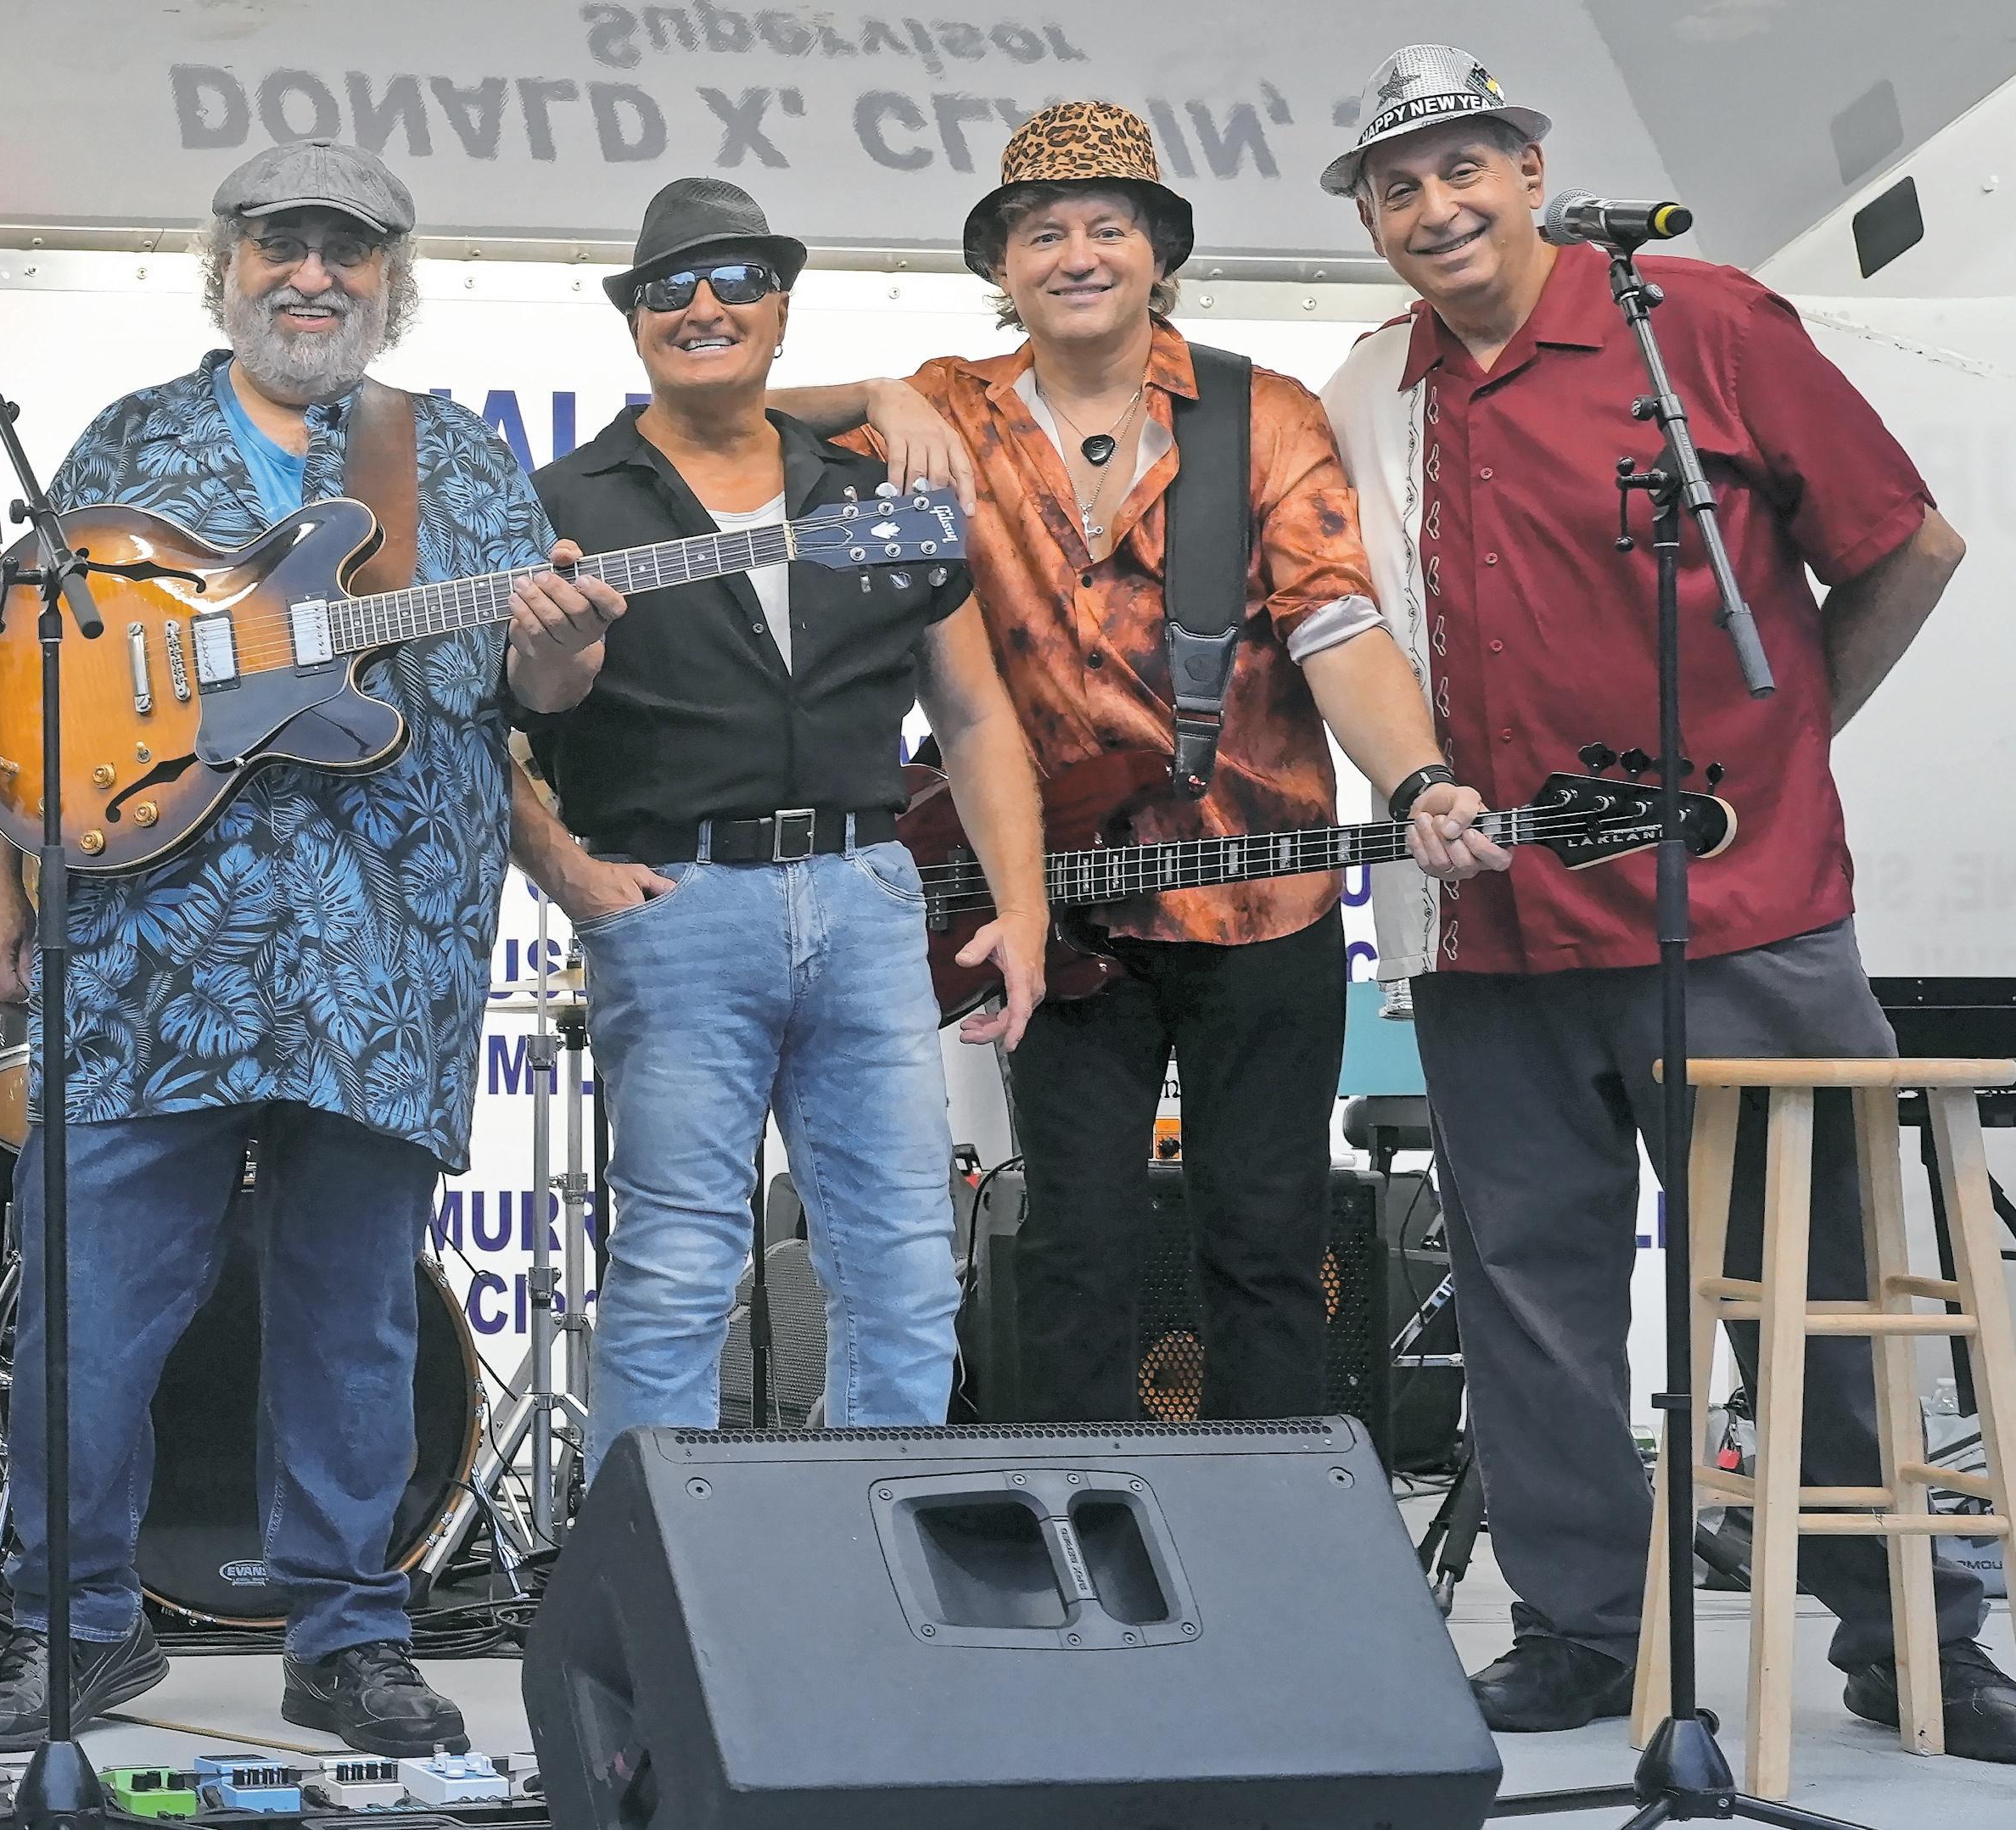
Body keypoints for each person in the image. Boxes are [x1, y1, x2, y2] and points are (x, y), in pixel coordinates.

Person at [1318, 47, 2001, 1752]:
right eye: (1395, 187)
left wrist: (1783, 746)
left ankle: (1909, 1628)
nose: (1433, 207)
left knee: (1814, 1284)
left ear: (1531, 173)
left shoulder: (1693, 319)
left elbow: (1905, 542)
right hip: (1489, 927)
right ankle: (1579, 1625)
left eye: (1462, 167)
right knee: (1528, 1295)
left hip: (1742, 909)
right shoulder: (1368, 388)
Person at [0, 139, 619, 1760]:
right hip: (149, 954)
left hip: (384, 953)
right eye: (282, 245)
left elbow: (532, 700)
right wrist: (0, 888)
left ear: (392, 280)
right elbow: (21, 673)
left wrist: (568, 651)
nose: (314, 275)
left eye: (348, 249)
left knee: (353, 1313)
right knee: (90, 1303)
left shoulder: (455, 459)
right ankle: (68, 1623)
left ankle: (349, 1636)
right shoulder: (129, 442)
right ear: (226, 265)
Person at [800, 102, 1498, 1430]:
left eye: (1108, 227)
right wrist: (870, 396)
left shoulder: (1263, 412)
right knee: (1073, 1252)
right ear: (1001, 265)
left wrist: (1418, 780)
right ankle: (1084, 1528)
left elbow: (1339, 627)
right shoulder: (943, 409)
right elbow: (714, 431)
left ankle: (1271, 1528)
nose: (1077, 255)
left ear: (1159, 252)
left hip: (1262, 897)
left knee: (1270, 1249)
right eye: (1043, 232)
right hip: (1051, 906)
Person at [501, 179, 1046, 1470]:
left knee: (907, 1274)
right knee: (676, 1275)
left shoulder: (878, 488)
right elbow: (496, 723)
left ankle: (876, 1571)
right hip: (680, 906)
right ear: (634, 319)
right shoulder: (562, 499)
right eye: (670, 287)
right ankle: (649, 1581)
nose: (705, 305)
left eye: (738, 280)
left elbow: (973, 714)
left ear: (783, 306)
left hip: (865, 895)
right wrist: (572, 872)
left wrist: (1024, 909)